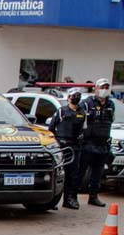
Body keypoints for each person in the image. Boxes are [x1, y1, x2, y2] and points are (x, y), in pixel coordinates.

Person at [48, 87, 86, 209]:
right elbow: (51, 128)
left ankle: (70, 199)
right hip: (62, 147)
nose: (76, 98)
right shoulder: (61, 111)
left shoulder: (82, 112)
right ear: (68, 98)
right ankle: (52, 201)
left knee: (73, 175)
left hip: (75, 147)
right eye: (74, 96)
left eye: (78, 96)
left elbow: (84, 129)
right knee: (58, 174)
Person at [80, 78, 115, 207]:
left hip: (103, 144)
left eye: (106, 87)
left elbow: (111, 121)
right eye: (102, 87)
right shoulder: (87, 103)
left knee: (97, 173)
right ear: (96, 88)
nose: (104, 90)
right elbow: (79, 121)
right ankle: (71, 196)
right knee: (80, 172)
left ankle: (93, 197)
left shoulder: (111, 104)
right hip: (88, 143)